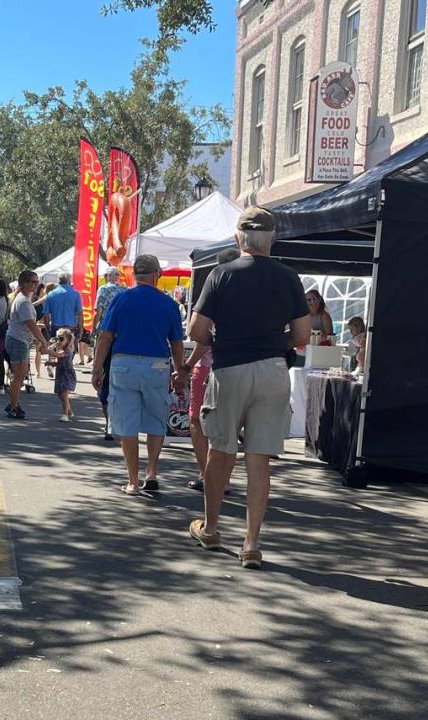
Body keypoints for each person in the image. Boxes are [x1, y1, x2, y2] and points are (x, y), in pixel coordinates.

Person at [186, 206, 311, 570]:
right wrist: (276, 343)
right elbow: (302, 336)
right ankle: (252, 543)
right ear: (272, 238)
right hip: (273, 369)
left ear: (238, 238)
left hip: (230, 369)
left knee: (220, 451)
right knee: (259, 458)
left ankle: (210, 528)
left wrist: (225, 341)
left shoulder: (221, 274)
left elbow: (196, 331)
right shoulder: (289, 277)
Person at [91, 254, 184, 495]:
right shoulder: (168, 304)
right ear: (157, 275)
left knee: (127, 422)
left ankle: (132, 480)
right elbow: (176, 343)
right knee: (156, 419)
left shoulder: (122, 299)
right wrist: (178, 371)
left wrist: (97, 368)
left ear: (134, 275)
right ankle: (151, 471)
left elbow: (105, 336)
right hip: (157, 366)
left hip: (124, 364)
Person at [184, 248, 240, 492]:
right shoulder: (252, 295)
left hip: (209, 366)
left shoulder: (214, 289)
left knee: (197, 421)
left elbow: (199, 335)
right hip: (240, 366)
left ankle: (208, 476)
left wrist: (186, 366)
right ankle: (223, 479)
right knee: (228, 426)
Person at [5, 270, 49, 419]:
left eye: (37, 282)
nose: (35, 285)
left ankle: (13, 403)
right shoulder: (23, 301)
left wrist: (39, 334)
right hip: (17, 340)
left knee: (20, 375)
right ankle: (13, 406)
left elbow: (31, 324)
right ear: (23, 283)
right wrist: (43, 340)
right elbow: (31, 324)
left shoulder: (25, 299)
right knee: (19, 376)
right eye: (32, 282)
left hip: (21, 340)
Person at [92, 267, 125, 439]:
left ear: (107, 277)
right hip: (122, 339)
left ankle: (108, 424)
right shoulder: (124, 291)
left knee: (104, 376)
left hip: (106, 335)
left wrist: (93, 328)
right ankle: (114, 422)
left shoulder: (103, 289)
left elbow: (99, 311)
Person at [48, 328, 77, 422]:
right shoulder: (61, 349)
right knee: (60, 394)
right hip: (60, 373)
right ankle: (69, 411)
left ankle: (65, 414)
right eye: (57, 338)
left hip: (67, 374)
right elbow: (60, 362)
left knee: (64, 395)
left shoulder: (67, 350)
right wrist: (51, 363)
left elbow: (58, 355)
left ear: (68, 340)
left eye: (61, 339)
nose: (59, 341)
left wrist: (47, 350)